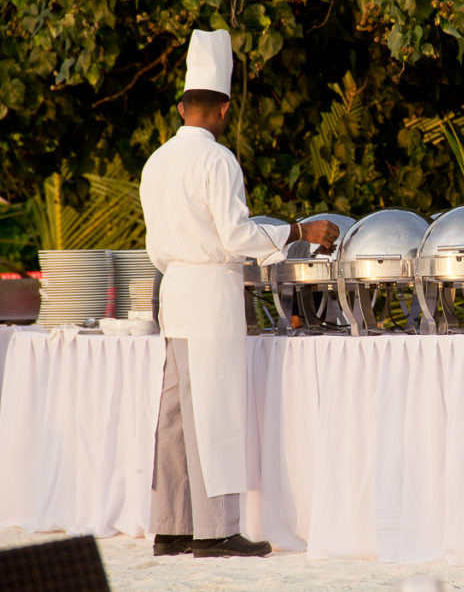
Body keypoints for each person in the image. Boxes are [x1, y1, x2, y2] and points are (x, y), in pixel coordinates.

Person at [139, 29, 338, 558]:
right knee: (215, 408)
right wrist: (299, 231)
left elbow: (155, 246)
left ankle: (171, 526)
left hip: (175, 290)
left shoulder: (156, 162)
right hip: (210, 294)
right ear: (224, 110)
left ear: (182, 107)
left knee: (176, 414)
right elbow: (236, 237)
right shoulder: (219, 161)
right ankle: (216, 531)